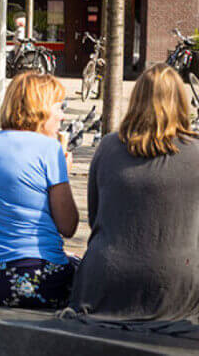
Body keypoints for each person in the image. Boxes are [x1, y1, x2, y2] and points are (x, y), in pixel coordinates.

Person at [65, 64, 199, 333]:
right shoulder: (196, 152)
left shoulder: (108, 147)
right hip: (177, 286)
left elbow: (96, 217)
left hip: (106, 282)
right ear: (182, 102)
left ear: (135, 100)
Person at [0, 71, 79, 309]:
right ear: (42, 109)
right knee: (89, 271)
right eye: (59, 107)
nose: (63, 117)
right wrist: (63, 174)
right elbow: (68, 226)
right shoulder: (49, 148)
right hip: (36, 274)